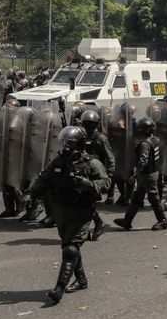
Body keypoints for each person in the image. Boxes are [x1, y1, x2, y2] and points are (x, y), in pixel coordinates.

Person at [22, 125, 109, 304]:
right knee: (69, 246)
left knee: (70, 249)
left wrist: (88, 184)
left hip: (81, 212)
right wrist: (32, 193)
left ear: (80, 143)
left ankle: (59, 288)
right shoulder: (59, 161)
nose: (67, 146)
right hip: (61, 212)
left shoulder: (92, 163)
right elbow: (45, 178)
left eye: (71, 142)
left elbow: (105, 183)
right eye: (65, 142)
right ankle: (82, 280)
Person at [114, 117, 167, 231]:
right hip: (152, 172)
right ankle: (127, 221)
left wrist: (134, 175)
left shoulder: (145, 144)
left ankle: (163, 220)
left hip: (147, 175)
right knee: (137, 198)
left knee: (153, 198)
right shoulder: (155, 139)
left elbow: (143, 161)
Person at [79, 109, 115, 240]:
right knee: (84, 201)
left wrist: (109, 174)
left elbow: (110, 157)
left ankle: (97, 223)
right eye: (86, 123)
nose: (88, 126)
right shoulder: (81, 136)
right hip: (82, 171)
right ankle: (93, 225)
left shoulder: (101, 138)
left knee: (88, 201)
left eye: (90, 123)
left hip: (96, 173)